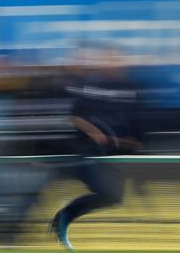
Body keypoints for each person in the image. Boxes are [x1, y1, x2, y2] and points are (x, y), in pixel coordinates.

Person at [50, 42, 142, 251]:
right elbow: (74, 117)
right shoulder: (92, 85)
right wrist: (96, 134)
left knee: (114, 196)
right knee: (106, 190)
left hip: (114, 151)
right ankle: (64, 218)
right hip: (88, 149)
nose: (113, 64)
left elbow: (135, 123)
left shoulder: (131, 88)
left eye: (116, 60)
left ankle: (65, 215)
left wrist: (128, 141)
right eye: (109, 59)